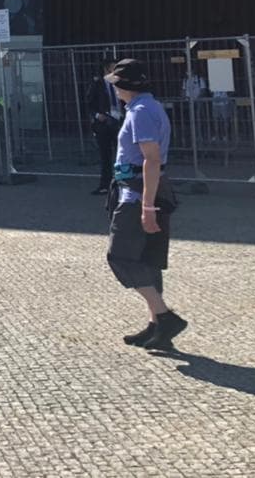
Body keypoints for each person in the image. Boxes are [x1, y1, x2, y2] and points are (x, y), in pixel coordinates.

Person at [104, 59, 186, 350]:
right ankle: (156, 326)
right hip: (139, 190)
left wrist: (147, 207)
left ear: (125, 85)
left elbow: (151, 159)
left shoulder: (140, 113)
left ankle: (164, 317)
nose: (113, 88)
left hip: (138, 194)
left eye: (116, 83)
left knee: (121, 256)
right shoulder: (148, 108)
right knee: (146, 259)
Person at [85, 59, 123, 195]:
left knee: (122, 155)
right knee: (105, 156)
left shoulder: (120, 83)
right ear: (107, 70)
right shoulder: (97, 84)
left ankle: (123, 184)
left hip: (119, 121)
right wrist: (97, 115)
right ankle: (105, 185)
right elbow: (89, 103)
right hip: (104, 123)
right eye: (113, 68)